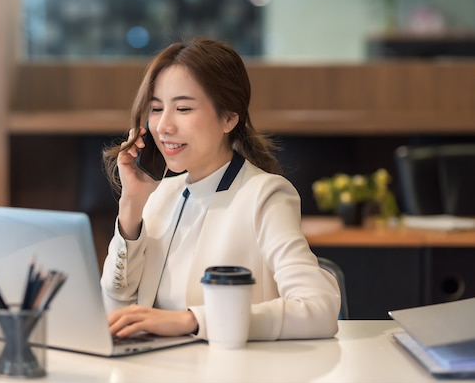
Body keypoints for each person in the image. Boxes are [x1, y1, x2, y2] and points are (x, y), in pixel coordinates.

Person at [100, 38, 340, 341]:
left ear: (229, 117)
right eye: (157, 108)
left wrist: (191, 321)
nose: (163, 126)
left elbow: (319, 309)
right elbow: (115, 308)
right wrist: (131, 205)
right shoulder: (159, 196)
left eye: (183, 108)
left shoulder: (265, 195)